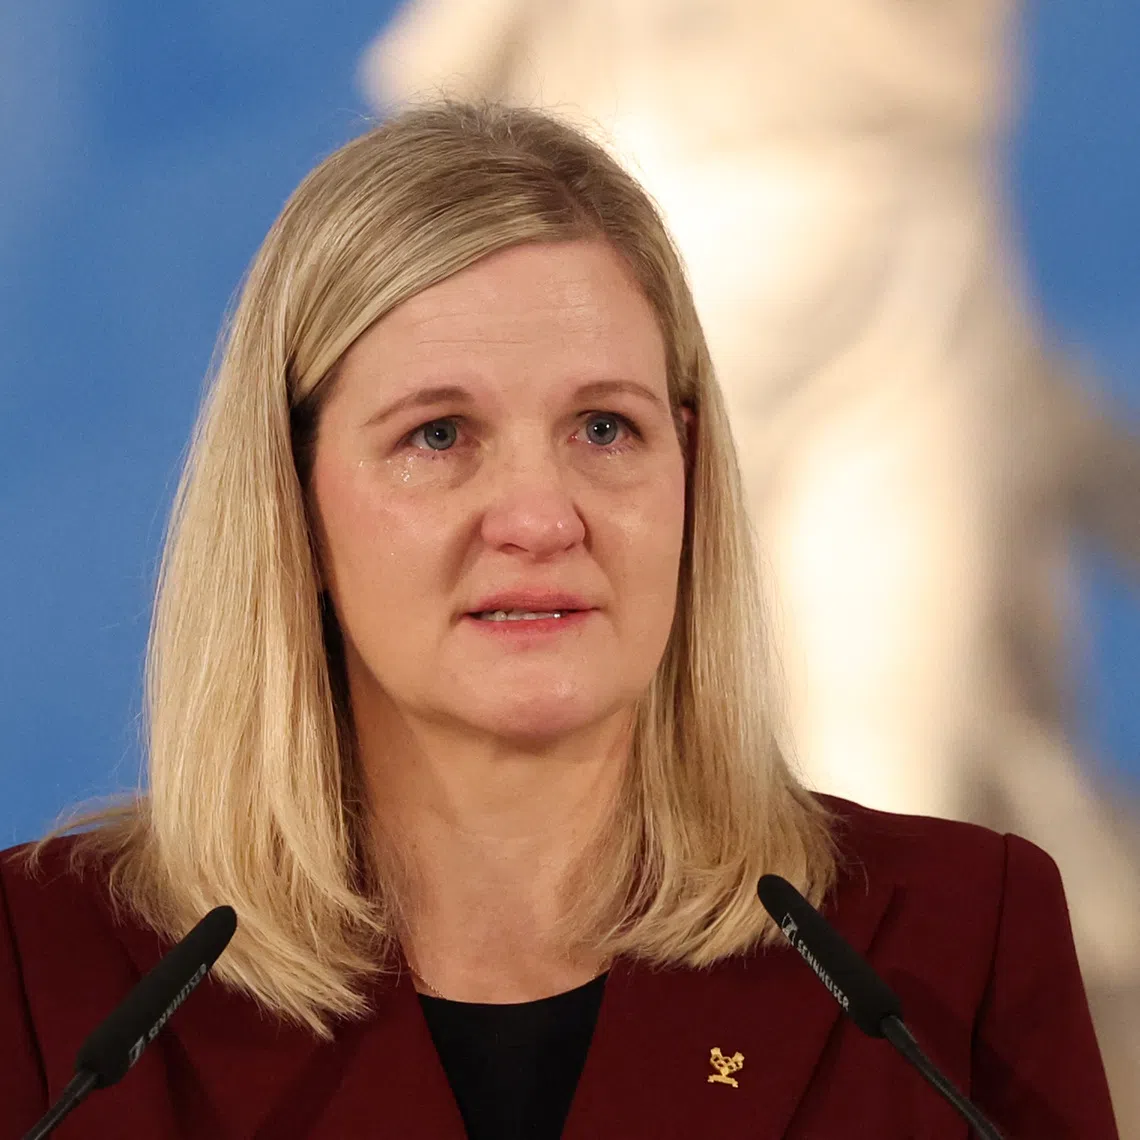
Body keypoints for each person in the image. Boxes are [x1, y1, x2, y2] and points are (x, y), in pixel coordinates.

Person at [0, 100, 1118, 1139]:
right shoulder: (52, 974)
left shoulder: (951, 950)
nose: (540, 518)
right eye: (438, 435)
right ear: (290, 499)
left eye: (603, 429)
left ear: (690, 476)